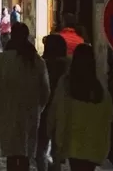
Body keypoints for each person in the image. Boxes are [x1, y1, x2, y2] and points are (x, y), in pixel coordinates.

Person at [0, 22, 50, 171]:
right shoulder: (37, 61)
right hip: (30, 113)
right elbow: (46, 91)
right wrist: (38, 107)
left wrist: (1, 98)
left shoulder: (3, 60)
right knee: (25, 154)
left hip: (9, 112)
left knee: (12, 154)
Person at [48, 43, 113, 171]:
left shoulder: (67, 85)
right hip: (94, 146)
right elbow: (109, 115)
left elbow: (58, 111)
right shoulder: (99, 89)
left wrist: (52, 132)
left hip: (73, 145)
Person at [35, 33, 69, 171]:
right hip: (62, 112)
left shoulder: (41, 64)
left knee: (41, 150)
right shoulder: (68, 66)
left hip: (44, 111)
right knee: (57, 151)